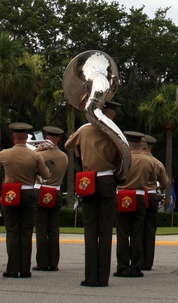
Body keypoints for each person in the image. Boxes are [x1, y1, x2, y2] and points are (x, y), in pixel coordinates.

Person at [64, 100, 126, 288]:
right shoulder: (114, 131)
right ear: (111, 114)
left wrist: (83, 151)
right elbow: (121, 157)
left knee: (90, 229)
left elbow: (68, 144)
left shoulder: (85, 129)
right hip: (108, 179)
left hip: (88, 179)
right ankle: (103, 277)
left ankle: (90, 277)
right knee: (105, 229)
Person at [0, 122, 51, 279]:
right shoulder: (35, 155)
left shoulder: (5, 153)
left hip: (11, 192)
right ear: (27, 138)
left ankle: (12, 268)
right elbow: (46, 176)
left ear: (13, 138)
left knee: (12, 231)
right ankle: (25, 269)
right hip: (28, 192)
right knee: (26, 231)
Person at [114, 131, 151, 278]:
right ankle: (136, 267)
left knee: (122, 234)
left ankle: (122, 267)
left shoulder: (121, 159)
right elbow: (152, 179)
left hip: (122, 195)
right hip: (139, 195)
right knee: (137, 233)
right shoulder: (148, 161)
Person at [34, 126, 68, 271]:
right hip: (56, 191)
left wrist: (38, 149)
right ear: (58, 139)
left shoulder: (40, 155)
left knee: (41, 228)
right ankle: (53, 262)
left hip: (41, 190)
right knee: (53, 229)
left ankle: (42, 262)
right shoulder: (64, 156)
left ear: (47, 139)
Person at [141, 134, 170, 270]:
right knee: (150, 229)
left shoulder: (131, 160)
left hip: (136, 194)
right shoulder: (157, 163)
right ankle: (147, 262)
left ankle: (136, 259)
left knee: (135, 228)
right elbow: (165, 183)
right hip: (152, 194)